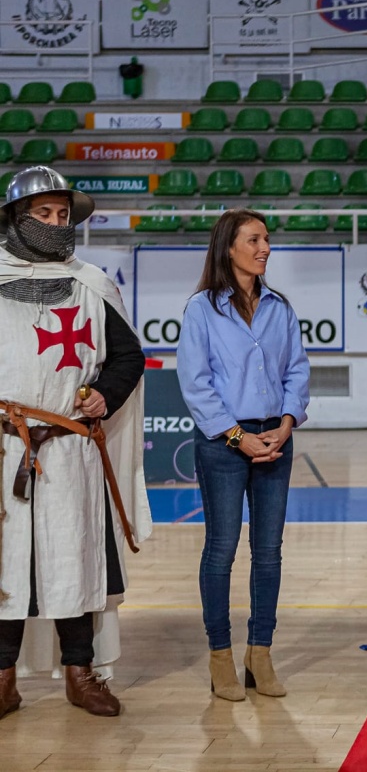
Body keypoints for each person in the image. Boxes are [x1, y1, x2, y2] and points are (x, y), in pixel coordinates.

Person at [0, 166, 150, 720]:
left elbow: (129, 357)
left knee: (76, 560)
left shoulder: (91, 284)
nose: (56, 224)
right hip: (4, 452)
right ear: (17, 218)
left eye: (63, 215)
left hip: (68, 448)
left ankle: (81, 675)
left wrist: (103, 397)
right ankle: (2, 681)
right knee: (6, 568)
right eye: (44, 214)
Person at [177, 209, 310, 702]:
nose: (265, 248)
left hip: (276, 439)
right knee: (222, 550)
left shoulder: (281, 307)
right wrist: (238, 437)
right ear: (228, 247)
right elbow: (196, 384)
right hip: (223, 446)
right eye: (255, 239)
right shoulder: (200, 310)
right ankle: (220, 658)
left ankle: (260, 654)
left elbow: (297, 371)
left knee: (269, 552)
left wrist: (286, 423)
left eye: (267, 239)